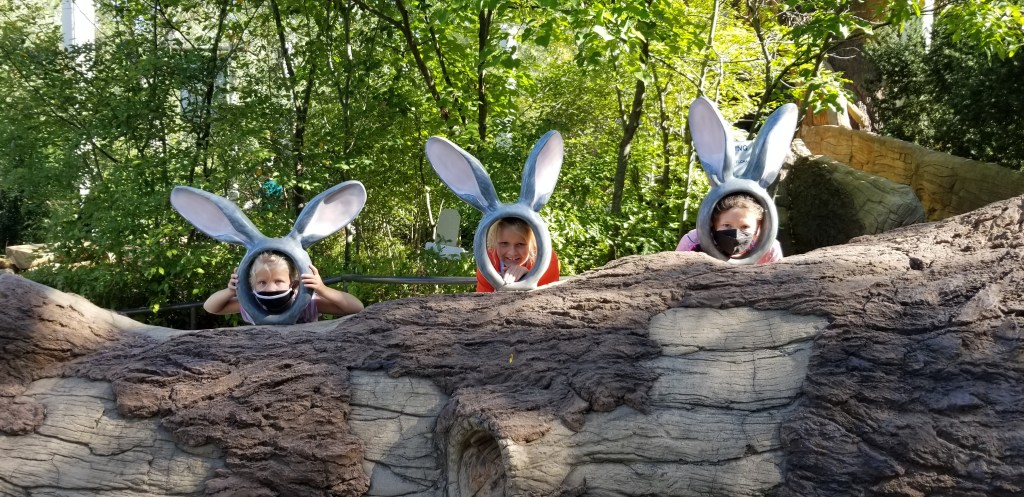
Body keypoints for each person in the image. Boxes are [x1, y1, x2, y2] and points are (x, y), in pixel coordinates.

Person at [204, 251, 363, 324]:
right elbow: (211, 307)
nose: (270, 289)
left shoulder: (307, 303)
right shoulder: (251, 305)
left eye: (278, 281)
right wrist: (230, 291)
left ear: (292, 284)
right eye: (262, 282)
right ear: (252, 285)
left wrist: (322, 289)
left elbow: (356, 307)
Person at [676, 193, 783, 264]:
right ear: (714, 224)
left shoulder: (768, 249)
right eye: (727, 225)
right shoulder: (693, 242)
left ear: (758, 228)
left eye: (745, 227)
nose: (736, 234)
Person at [476, 217, 560, 292]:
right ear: (494, 242)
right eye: (504, 243)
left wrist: (530, 276)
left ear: (533, 244)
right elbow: (483, 299)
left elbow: (548, 298)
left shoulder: (546, 260)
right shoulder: (487, 261)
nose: (512, 253)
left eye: (520, 244)